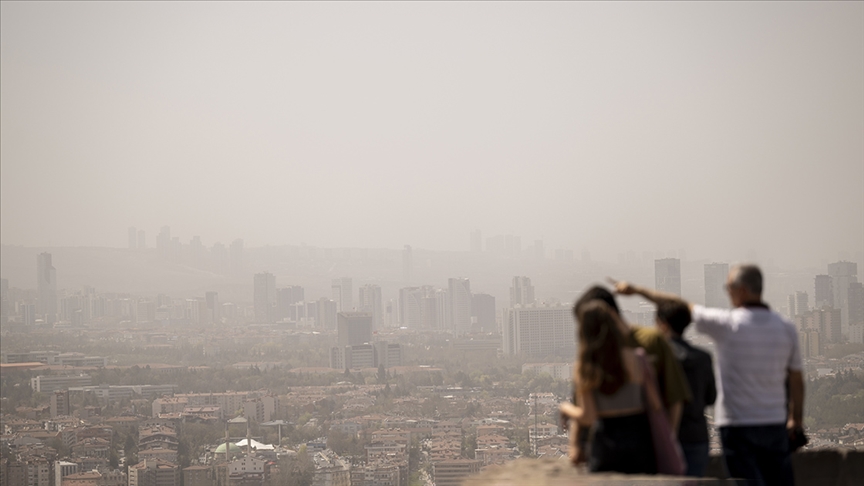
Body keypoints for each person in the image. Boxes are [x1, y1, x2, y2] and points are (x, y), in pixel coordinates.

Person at [613, 264, 804, 486]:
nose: (727, 292)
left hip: (737, 425)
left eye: (729, 287)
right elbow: (796, 380)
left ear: (741, 290)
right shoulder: (786, 327)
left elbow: (678, 304)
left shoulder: (727, 324)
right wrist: (795, 419)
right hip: (774, 423)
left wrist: (636, 290)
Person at [571, 286, 692, 430]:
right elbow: (582, 403)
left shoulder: (650, 341)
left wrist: (666, 440)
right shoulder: (594, 355)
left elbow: (674, 397)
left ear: (609, 314)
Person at [560, 300, 658, 473]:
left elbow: (588, 416)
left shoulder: (586, 367)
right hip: (639, 438)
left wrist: (565, 408)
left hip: (606, 441)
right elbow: (655, 403)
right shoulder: (635, 358)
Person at [655, 300, 716, 477]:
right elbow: (711, 398)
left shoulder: (656, 358)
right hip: (696, 435)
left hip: (664, 436)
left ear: (662, 324)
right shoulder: (703, 357)